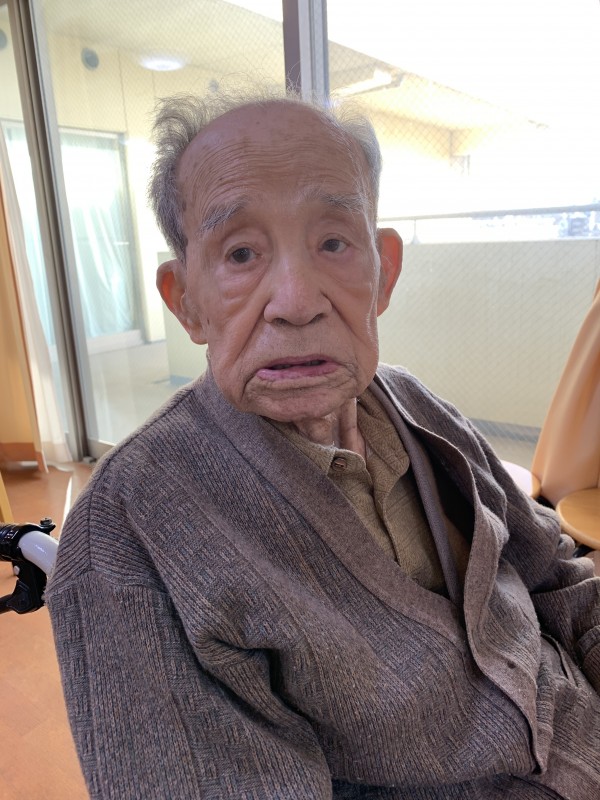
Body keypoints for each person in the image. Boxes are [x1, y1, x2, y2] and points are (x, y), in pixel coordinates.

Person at [46, 88, 600, 799]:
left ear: (383, 271)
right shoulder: (128, 537)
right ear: (186, 300)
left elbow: (553, 575)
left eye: (333, 243)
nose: (297, 301)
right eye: (241, 253)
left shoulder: (413, 404)